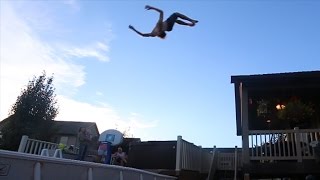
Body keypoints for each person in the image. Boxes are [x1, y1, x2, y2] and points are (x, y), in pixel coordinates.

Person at [129, 5, 198, 39]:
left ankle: (189, 23)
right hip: (169, 27)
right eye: (159, 32)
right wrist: (133, 29)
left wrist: (133, 29)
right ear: (159, 33)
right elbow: (143, 35)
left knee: (176, 20)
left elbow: (143, 35)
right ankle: (191, 21)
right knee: (176, 14)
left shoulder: (153, 33)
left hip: (167, 22)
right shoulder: (157, 30)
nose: (157, 32)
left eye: (158, 32)